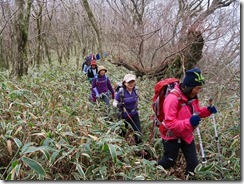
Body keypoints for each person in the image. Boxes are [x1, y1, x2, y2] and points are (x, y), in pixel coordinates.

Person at [157, 68, 218, 176]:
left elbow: (196, 112)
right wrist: (189, 123)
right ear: (189, 87)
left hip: (186, 134)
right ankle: (153, 169)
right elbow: (169, 123)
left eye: (200, 88)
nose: (199, 91)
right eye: (197, 88)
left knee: (193, 165)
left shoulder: (192, 97)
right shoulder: (172, 98)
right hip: (171, 136)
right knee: (169, 161)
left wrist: (207, 110)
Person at [112, 74, 142, 145]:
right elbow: (114, 103)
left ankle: (140, 149)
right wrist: (118, 105)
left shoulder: (136, 91)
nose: (131, 84)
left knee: (138, 132)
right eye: (129, 82)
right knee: (123, 132)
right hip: (124, 115)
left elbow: (137, 101)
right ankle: (121, 146)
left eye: (133, 82)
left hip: (134, 114)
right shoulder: (121, 92)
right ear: (125, 83)